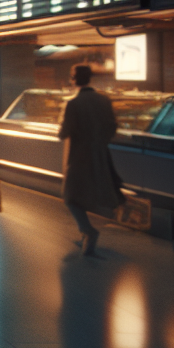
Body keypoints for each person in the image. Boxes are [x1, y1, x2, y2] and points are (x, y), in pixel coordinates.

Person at [59, 64, 123, 256]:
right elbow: (113, 127)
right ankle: (85, 233)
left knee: (70, 196)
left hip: (79, 157)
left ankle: (88, 231)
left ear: (74, 79)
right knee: (91, 193)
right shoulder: (104, 100)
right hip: (101, 154)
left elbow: (64, 133)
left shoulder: (73, 103)